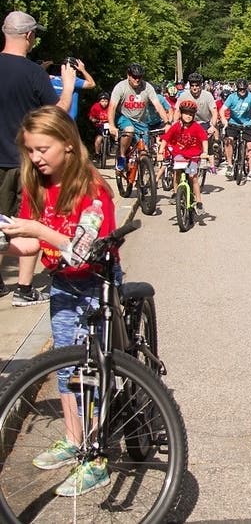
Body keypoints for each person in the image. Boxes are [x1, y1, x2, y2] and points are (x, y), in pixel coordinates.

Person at [0, 106, 117, 494]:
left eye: (42, 149)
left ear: (68, 144)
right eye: (30, 150)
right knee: (66, 367)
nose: (35, 158)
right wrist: (6, 241)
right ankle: (73, 439)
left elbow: (81, 250)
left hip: (95, 280)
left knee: (90, 370)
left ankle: (96, 455)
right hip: (63, 284)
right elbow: (31, 242)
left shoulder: (93, 190)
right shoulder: (38, 185)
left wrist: (37, 228)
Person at [0, 11, 76, 300]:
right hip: (26, 162)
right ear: (29, 36)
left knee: (1, 224)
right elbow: (57, 114)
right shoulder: (34, 73)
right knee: (30, 223)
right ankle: (23, 288)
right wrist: (67, 86)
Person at [107, 63, 170, 172]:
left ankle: (142, 180)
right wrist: (112, 126)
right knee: (129, 130)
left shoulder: (147, 87)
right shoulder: (121, 87)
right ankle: (121, 157)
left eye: (139, 77)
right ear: (128, 75)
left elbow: (158, 105)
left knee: (144, 152)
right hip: (124, 117)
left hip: (141, 121)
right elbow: (112, 107)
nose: (137, 80)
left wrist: (167, 123)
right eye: (134, 77)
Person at [158, 100, 210, 213]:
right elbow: (166, 139)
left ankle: (199, 201)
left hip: (193, 156)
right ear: (181, 114)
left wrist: (205, 152)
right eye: (186, 113)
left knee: (193, 177)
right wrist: (160, 152)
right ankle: (176, 193)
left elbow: (204, 139)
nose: (188, 116)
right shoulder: (176, 126)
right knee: (177, 173)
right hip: (179, 155)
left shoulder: (196, 127)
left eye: (191, 114)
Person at [220, 78, 251, 181]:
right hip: (233, 123)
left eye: (244, 90)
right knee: (228, 140)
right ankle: (230, 165)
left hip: (248, 124)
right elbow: (222, 110)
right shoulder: (232, 97)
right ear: (237, 89)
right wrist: (224, 120)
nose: (242, 92)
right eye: (240, 89)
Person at [88, 92, 110, 163]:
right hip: (99, 125)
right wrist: (93, 120)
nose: (104, 103)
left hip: (109, 125)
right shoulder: (95, 106)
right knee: (98, 140)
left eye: (106, 101)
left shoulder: (110, 106)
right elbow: (91, 116)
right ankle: (97, 154)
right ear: (99, 101)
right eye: (102, 101)